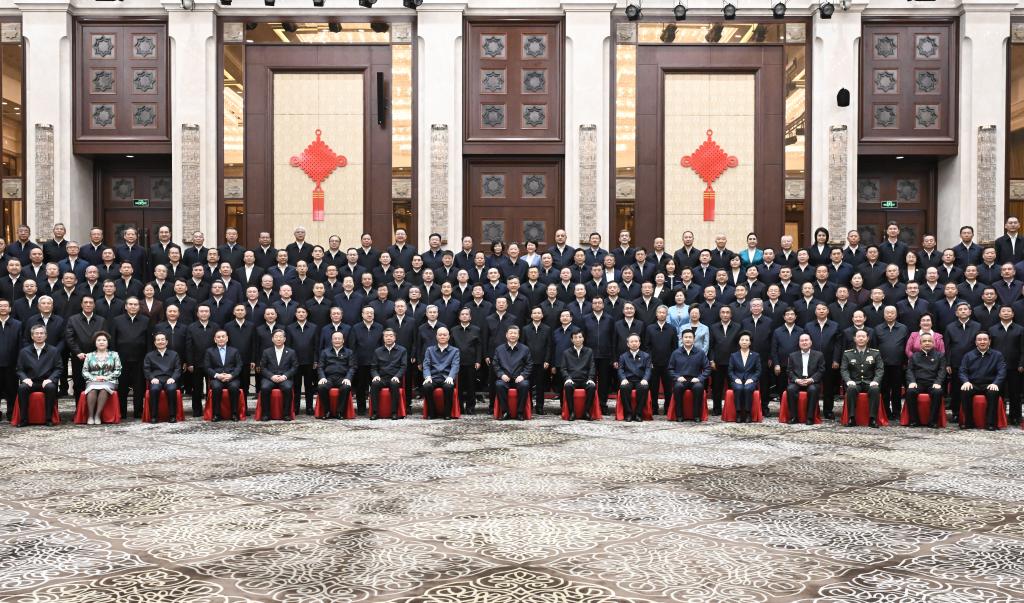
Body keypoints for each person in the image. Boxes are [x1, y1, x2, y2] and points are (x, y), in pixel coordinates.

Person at [109, 297, 150, 418]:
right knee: (122, 387)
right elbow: (113, 340)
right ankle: (122, 412)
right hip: (121, 360)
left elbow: (149, 341)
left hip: (140, 359)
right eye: (130, 304)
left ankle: (138, 412)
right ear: (126, 306)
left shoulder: (146, 320)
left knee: (139, 387)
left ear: (139, 307)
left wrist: (148, 359)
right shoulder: (117, 320)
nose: (133, 306)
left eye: (135, 304)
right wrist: (114, 358)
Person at [15, 324, 61, 427]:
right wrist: (25, 378)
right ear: (32, 336)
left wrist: (50, 379)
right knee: (22, 388)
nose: (39, 335)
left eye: (41, 333)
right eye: (36, 333)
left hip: (46, 381)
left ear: (46, 335)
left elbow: (58, 368)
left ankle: (48, 419)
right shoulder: (24, 351)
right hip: (30, 381)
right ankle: (23, 419)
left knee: (51, 387)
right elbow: (19, 369)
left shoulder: (54, 351)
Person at [958, 332, 1006, 430]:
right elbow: (962, 371)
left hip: (989, 384)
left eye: (985, 339)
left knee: (993, 392)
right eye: (979, 340)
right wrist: (966, 381)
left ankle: (990, 424)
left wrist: (995, 383)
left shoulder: (997, 355)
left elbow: (1002, 371)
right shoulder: (968, 355)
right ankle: (968, 422)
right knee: (965, 391)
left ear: (989, 342)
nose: (982, 342)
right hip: (973, 384)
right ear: (976, 342)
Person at [840, 329, 883, 427]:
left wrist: (876, 381)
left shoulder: (875, 353)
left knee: (875, 389)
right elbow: (844, 369)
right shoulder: (847, 353)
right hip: (855, 382)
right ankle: (851, 418)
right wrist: (848, 380)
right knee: (851, 389)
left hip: (870, 382)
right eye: (858, 336)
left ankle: (872, 419)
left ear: (867, 339)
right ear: (854, 339)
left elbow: (880, 369)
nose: (861, 338)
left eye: (863, 336)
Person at [904, 332, 946, 427]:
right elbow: (910, 370)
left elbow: (942, 370)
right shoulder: (914, 356)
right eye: (924, 341)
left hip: (933, 383)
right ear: (920, 343)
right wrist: (912, 381)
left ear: (933, 343)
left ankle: (933, 421)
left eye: (929, 341)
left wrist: (938, 382)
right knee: (910, 391)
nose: (927, 343)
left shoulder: (940, 355)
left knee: (938, 392)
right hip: (918, 383)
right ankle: (914, 421)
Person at [81, 331, 121, 425]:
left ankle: (97, 415)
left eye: (104, 340)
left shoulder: (114, 355)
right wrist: (94, 378)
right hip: (93, 380)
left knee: (104, 389)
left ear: (107, 342)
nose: (101, 342)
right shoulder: (89, 355)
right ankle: (90, 416)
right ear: (95, 343)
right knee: (92, 389)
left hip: (110, 381)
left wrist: (105, 378)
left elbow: (118, 370)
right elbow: (84, 371)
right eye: (99, 340)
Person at [493, 325, 532, 420]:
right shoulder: (499, 349)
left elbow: (529, 364)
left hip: (519, 378)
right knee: (499, 385)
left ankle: (520, 412)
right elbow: (495, 364)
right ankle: (505, 412)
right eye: (511, 333)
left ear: (518, 335)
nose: (513, 335)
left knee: (525, 385)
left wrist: (523, 376)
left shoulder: (525, 349)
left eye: (515, 333)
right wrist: (501, 375)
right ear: (506, 335)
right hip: (505, 379)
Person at [421, 326, 460, 419]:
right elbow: (426, 365)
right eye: (440, 335)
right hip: (433, 377)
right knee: (426, 386)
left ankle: (447, 414)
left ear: (448, 337)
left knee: (448, 387)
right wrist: (427, 376)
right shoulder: (430, 350)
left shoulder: (455, 351)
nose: (442, 336)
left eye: (444, 335)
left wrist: (451, 377)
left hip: (447, 377)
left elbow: (455, 365)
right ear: (436, 337)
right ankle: (432, 412)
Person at [258, 329, 296, 421]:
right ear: (272, 339)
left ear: (284, 339)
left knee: (287, 388)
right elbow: (262, 367)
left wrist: (284, 376)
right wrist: (271, 376)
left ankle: (286, 414)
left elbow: (294, 367)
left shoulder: (291, 352)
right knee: (264, 388)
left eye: (280, 337)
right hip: (270, 378)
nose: (278, 339)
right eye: (276, 337)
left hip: (285, 378)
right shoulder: (266, 352)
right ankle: (265, 414)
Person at [786, 333, 824, 425]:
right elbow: (789, 371)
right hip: (798, 381)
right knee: (790, 389)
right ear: (799, 343)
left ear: (811, 342)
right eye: (802, 341)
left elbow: (821, 370)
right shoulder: (792, 355)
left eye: (806, 340)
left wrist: (811, 379)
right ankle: (793, 417)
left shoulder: (819, 355)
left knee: (813, 389)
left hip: (812, 381)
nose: (804, 342)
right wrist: (796, 380)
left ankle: (810, 418)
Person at [143, 332, 181, 423]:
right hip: (156, 379)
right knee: (154, 389)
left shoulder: (174, 354)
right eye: (158, 340)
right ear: (155, 343)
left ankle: (172, 416)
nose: (161, 342)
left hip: (169, 379)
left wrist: (173, 378)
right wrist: (152, 378)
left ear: (166, 342)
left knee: (172, 389)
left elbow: (178, 369)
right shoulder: (149, 355)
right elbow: (146, 369)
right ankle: (154, 416)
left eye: (162, 339)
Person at [370, 328, 407, 420]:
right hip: (382, 378)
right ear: (383, 338)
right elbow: (373, 367)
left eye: (391, 336)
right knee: (374, 384)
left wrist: (397, 376)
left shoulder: (402, 350)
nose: (388, 338)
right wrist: (376, 376)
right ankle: (375, 413)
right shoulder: (377, 351)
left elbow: (403, 366)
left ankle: (394, 413)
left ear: (395, 337)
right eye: (386, 336)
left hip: (395, 377)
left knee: (394, 384)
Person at [560, 328, 596, 421]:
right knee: (568, 386)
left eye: (580, 337)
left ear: (583, 338)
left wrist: (590, 378)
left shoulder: (589, 351)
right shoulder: (566, 353)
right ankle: (572, 412)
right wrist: (567, 378)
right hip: (572, 380)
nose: (578, 339)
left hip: (585, 379)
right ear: (572, 340)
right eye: (575, 337)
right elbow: (563, 368)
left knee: (592, 386)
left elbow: (592, 367)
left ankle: (586, 412)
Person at [317, 331, 354, 420]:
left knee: (346, 387)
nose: (337, 340)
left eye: (339, 338)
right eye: (335, 338)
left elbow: (352, 367)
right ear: (332, 340)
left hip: (342, 378)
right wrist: (322, 377)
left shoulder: (349, 352)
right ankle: (327, 411)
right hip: (329, 378)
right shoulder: (325, 352)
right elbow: (320, 367)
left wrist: (348, 378)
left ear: (343, 340)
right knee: (321, 387)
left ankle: (339, 412)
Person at [617, 333, 651, 422]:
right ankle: (628, 413)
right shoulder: (623, 356)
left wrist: (645, 379)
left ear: (639, 343)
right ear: (628, 344)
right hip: (628, 380)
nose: (634, 343)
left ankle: (638, 414)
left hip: (640, 380)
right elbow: (620, 369)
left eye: (636, 341)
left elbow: (648, 369)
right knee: (623, 387)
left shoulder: (646, 356)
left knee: (644, 387)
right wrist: (623, 379)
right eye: (631, 341)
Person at [728, 331, 760, 423]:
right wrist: (735, 379)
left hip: (750, 380)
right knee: (738, 388)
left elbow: (758, 371)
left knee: (747, 388)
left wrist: (752, 379)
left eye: (746, 340)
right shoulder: (734, 355)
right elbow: (730, 371)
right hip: (737, 380)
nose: (744, 342)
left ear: (750, 342)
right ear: (739, 342)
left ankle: (748, 413)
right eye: (742, 340)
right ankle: (738, 413)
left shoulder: (755, 355)